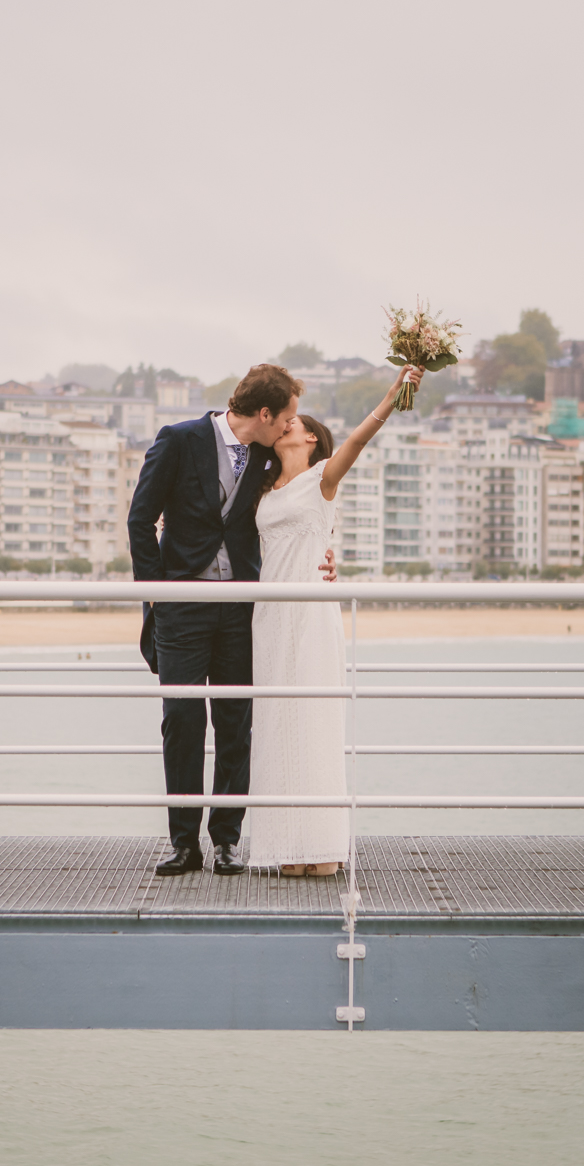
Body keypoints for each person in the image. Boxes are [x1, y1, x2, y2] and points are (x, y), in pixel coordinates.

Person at [127, 364, 333, 877]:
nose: (290, 426)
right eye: (284, 417)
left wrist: (326, 555)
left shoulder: (270, 454)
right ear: (263, 414)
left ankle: (226, 841)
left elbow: (302, 500)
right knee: (182, 720)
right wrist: (157, 597)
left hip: (245, 607)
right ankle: (182, 843)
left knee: (236, 722)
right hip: (182, 605)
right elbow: (140, 518)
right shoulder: (178, 439)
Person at [244, 364, 424, 875]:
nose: (287, 425)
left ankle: (322, 848)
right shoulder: (261, 491)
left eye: (296, 423)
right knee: (278, 726)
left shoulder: (323, 480)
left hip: (312, 615)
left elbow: (362, 438)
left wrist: (396, 393)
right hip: (271, 616)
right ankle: (285, 848)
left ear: (310, 440)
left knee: (315, 724)